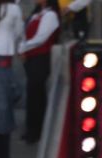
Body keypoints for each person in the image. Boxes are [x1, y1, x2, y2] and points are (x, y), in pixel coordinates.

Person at [20, 0, 58, 146]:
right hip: (32, 57)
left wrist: (23, 47)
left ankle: (36, 130)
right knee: (34, 94)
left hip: (41, 57)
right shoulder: (37, 14)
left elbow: (41, 38)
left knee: (36, 93)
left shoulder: (50, 15)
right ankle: (33, 128)